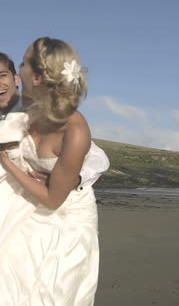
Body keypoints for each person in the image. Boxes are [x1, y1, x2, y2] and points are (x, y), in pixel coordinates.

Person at [0, 37, 105, 305]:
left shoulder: (63, 123)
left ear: (20, 78)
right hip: (27, 204)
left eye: (6, 74)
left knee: (52, 289)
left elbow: (96, 157)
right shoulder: (29, 107)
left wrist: (75, 178)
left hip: (62, 209)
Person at [0, 51, 110, 189]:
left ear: (16, 79)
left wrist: (72, 180)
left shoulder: (45, 111)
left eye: (2, 76)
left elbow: (98, 157)